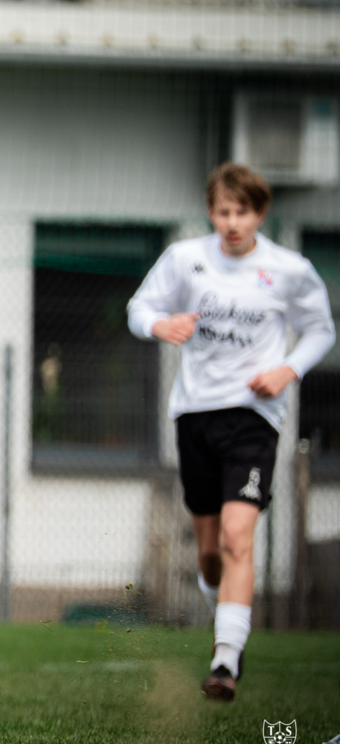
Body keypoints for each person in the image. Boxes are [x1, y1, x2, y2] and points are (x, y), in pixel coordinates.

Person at [128, 162, 334, 702]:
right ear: (210, 213)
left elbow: (320, 330)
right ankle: (218, 596)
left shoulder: (289, 269)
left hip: (253, 417)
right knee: (211, 552)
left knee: (238, 536)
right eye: (223, 212)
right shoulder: (185, 260)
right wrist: (160, 324)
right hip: (195, 415)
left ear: (260, 213)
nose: (233, 222)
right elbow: (138, 308)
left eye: (242, 212)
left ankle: (225, 659)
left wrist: (287, 370)